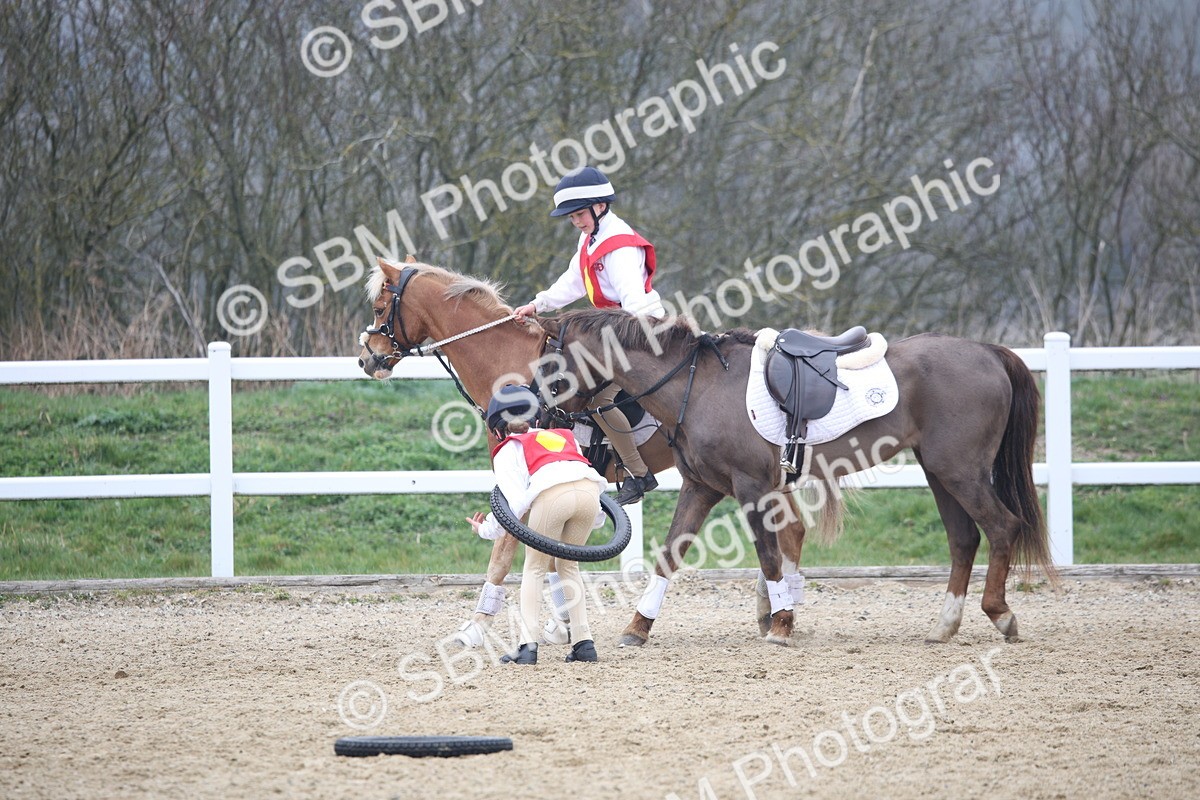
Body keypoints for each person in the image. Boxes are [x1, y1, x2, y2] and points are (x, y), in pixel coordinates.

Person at [513, 165, 663, 505]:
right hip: (615, 330)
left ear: (600, 206)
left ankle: (638, 474)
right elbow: (572, 282)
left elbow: (634, 307)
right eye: (572, 218)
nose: (576, 222)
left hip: (639, 333)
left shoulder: (620, 246)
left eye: (579, 214)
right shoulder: (591, 239)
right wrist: (537, 304)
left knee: (598, 399)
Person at [466, 385, 608, 665]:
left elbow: (514, 508)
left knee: (534, 567)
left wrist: (484, 530)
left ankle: (527, 645)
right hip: (591, 494)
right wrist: (597, 518)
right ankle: (584, 643)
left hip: (553, 496)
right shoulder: (563, 436)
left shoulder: (508, 450)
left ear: (498, 427)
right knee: (569, 566)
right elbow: (578, 470)